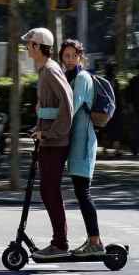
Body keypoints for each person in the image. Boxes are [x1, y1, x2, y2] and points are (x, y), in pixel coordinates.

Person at [22, 28, 74, 259]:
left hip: (56, 142)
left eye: (29, 44)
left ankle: (60, 244)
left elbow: (67, 106)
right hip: (49, 140)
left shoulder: (51, 71)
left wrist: (51, 133)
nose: (26, 48)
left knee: (50, 190)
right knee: (47, 190)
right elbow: (51, 107)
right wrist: (39, 128)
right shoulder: (44, 70)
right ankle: (59, 242)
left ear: (37, 46)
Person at [59, 39, 105, 256]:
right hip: (75, 144)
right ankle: (93, 241)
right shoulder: (69, 77)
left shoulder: (82, 78)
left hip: (84, 144)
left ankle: (95, 242)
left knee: (83, 192)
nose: (69, 60)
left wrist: (46, 118)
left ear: (80, 57)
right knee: (80, 192)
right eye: (65, 56)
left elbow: (72, 107)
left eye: (72, 56)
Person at [101, 61, 123, 157]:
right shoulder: (113, 81)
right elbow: (118, 96)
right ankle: (114, 150)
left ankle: (107, 150)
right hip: (113, 108)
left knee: (107, 129)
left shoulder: (104, 80)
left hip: (107, 108)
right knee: (113, 129)